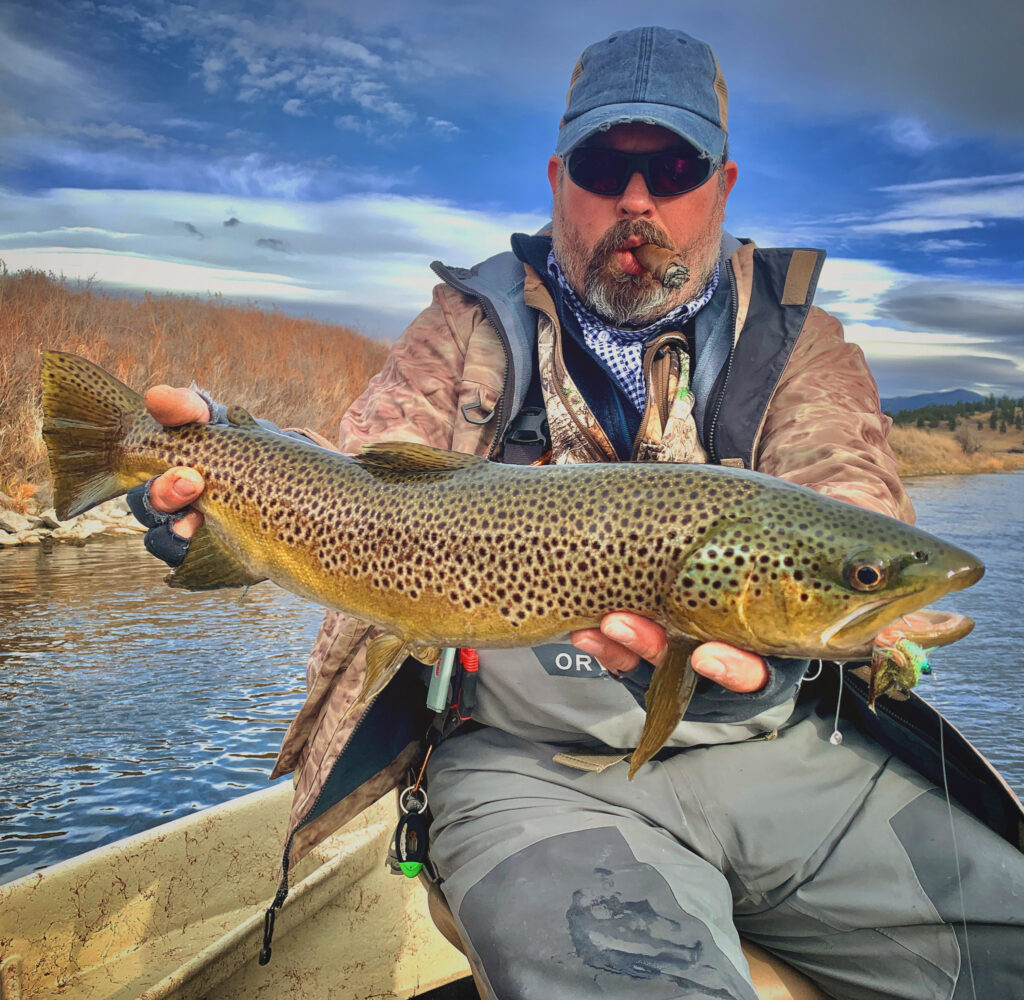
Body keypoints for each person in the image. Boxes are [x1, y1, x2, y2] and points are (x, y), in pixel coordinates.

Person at [131, 26, 1024, 1000]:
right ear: (560, 178)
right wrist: (231, 461)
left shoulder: (796, 340)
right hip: (520, 770)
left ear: (720, 187)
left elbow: (845, 484)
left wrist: (847, 609)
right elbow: (357, 477)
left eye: (674, 166)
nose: (637, 198)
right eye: (607, 164)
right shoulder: (463, 333)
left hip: (783, 748)